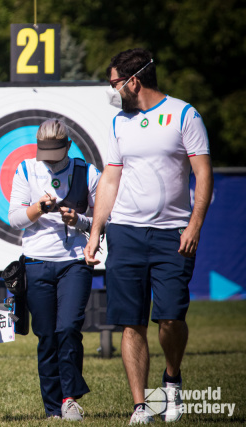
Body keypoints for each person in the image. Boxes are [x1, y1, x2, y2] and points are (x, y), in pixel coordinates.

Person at [84, 48, 213, 424]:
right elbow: (111, 177)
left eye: (114, 83)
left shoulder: (185, 115)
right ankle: (141, 404)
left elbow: (203, 174)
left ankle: (171, 378)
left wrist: (194, 225)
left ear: (133, 81)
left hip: (172, 233)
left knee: (171, 317)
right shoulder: (118, 123)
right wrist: (96, 232)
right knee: (131, 321)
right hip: (125, 232)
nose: (112, 91)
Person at [8, 119, 101, 421]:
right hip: (35, 262)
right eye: (42, 151)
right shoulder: (25, 169)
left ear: (68, 146)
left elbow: (103, 220)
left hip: (74, 261)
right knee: (47, 335)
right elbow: (15, 218)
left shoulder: (88, 173)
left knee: (68, 328)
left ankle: (70, 398)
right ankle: (53, 409)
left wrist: (80, 221)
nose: (46, 159)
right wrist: (38, 208)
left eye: (54, 152)